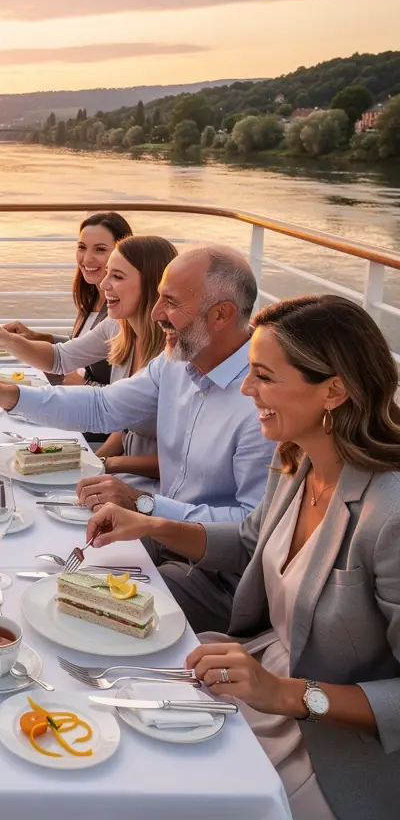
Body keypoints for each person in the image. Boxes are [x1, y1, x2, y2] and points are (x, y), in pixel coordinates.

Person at [85, 295, 400, 820]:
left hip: (330, 738)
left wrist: (288, 694)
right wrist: (148, 524)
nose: (247, 389)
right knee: (115, 712)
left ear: (334, 390)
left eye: (263, 376)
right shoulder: (296, 456)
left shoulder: (390, 513)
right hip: (253, 668)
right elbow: (252, 543)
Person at [0, 243, 277, 633]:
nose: (156, 316)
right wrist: (6, 393)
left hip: (215, 578)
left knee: (71, 609)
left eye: (170, 303)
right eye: (158, 300)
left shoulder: (262, 400)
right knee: (43, 555)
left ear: (221, 315)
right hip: (159, 536)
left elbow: (251, 529)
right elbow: (102, 407)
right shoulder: (175, 363)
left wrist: (147, 505)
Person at [0, 234, 177, 492]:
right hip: (120, 471)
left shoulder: (174, 356)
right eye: (107, 274)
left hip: (153, 488)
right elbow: (60, 358)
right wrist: (5, 340)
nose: (104, 284)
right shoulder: (118, 328)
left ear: (152, 285)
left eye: (117, 276)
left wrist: (104, 463)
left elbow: (180, 463)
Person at [0, 211, 132, 389]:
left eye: (100, 249)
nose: (87, 258)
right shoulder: (92, 298)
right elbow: (82, 345)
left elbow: (130, 392)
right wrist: (38, 337)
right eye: (82, 247)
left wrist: (87, 385)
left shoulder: (121, 312)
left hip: (90, 404)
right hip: (72, 392)